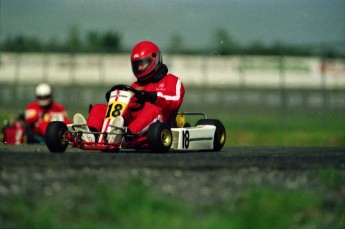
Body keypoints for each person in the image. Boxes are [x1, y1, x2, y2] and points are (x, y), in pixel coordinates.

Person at [74, 40, 185, 143]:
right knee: (99, 108)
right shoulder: (135, 86)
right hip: (132, 123)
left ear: (154, 60)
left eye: (142, 63)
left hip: (159, 124)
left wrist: (152, 96)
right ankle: (91, 133)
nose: (140, 68)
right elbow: (127, 110)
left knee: (153, 109)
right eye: (136, 65)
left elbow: (175, 100)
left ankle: (125, 135)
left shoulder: (171, 80)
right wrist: (115, 101)